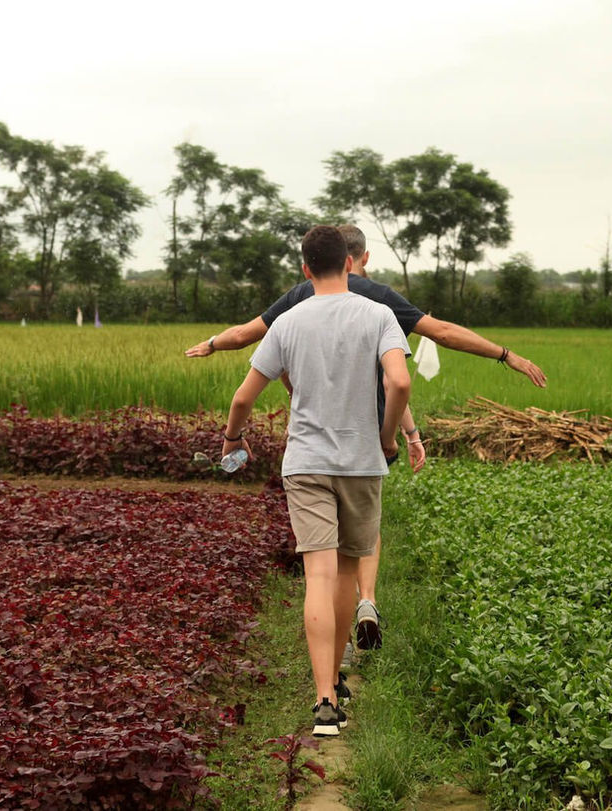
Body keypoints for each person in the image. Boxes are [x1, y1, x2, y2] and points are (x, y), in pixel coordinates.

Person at [186, 224, 548, 651]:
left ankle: (328, 675)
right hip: (372, 434)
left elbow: (248, 335)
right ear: (359, 258)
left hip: (311, 444)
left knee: (323, 555)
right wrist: (506, 355)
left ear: (310, 265)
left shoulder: (299, 297)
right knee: (362, 529)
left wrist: (211, 343)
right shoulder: (380, 300)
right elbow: (437, 342)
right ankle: (367, 600)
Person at [217, 225, 410, 737]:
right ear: (350, 263)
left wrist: (233, 439)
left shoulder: (288, 320)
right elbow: (401, 381)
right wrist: (388, 437)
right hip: (362, 463)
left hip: (306, 463)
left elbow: (242, 398)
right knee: (348, 573)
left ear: (305, 269)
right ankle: (340, 679)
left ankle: (324, 700)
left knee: (318, 577)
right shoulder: (379, 315)